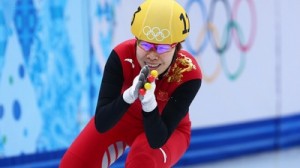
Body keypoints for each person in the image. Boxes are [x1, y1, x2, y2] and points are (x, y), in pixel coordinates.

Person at [60, 0, 202, 167]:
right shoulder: (121, 57)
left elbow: (157, 140)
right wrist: (128, 96)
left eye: (162, 48)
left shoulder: (188, 73)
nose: (152, 55)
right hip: (123, 117)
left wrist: (149, 104)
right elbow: (102, 123)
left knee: (142, 161)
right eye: (146, 45)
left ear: (177, 48)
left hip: (164, 129)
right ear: (136, 40)